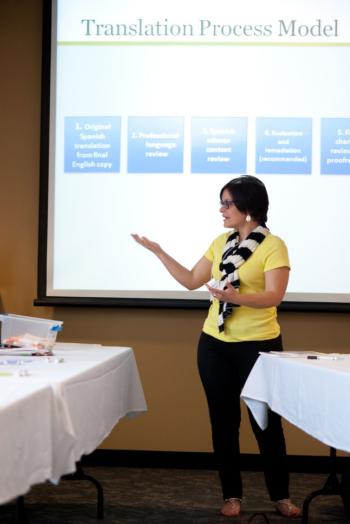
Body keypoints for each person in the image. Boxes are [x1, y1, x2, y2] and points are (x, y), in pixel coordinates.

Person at [132, 175, 301, 519]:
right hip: (215, 343)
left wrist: (237, 297)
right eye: (221, 202)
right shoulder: (221, 242)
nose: (221, 210)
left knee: (266, 424)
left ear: (248, 207)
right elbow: (193, 281)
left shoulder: (273, 246)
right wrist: (159, 252)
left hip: (259, 345)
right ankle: (231, 496)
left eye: (227, 203)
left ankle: (281, 496)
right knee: (223, 422)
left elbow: (275, 296)